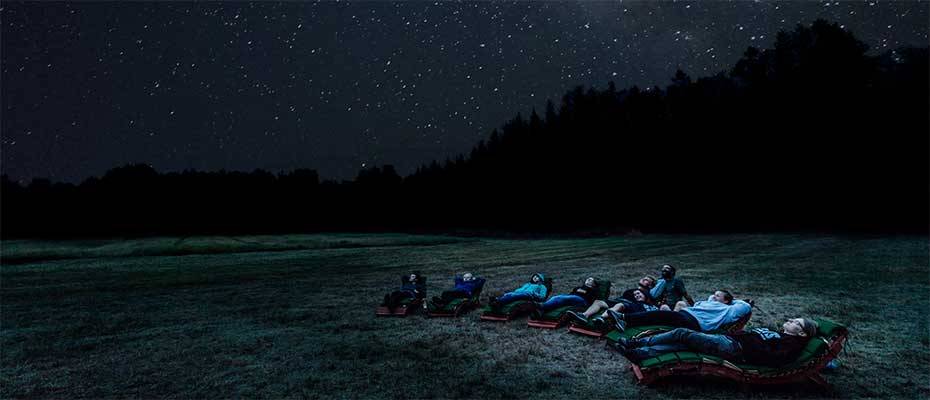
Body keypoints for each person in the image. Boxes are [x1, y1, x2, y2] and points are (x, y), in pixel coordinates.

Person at [610, 318, 818, 367]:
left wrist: (749, 342)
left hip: (733, 348)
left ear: (802, 334)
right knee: (684, 345)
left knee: (683, 333)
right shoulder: (778, 335)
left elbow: (773, 358)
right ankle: (643, 354)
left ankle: (635, 343)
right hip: (728, 342)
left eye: (795, 322)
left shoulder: (792, 344)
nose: (789, 320)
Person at [607, 290, 752, 333]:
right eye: (714, 294)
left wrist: (733, 300)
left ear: (726, 300)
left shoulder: (728, 310)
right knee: (661, 316)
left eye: (718, 295)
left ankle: (625, 318)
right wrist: (715, 297)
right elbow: (709, 299)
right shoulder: (710, 303)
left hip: (695, 323)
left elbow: (745, 306)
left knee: (661, 315)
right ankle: (625, 320)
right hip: (686, 315)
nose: (714, 296)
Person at [567, 276, 657, 326]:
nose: (643, 279)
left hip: (628, 305)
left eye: (647, 280)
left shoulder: (647, 293)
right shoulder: (633, 290)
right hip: (618, 301)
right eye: (644, 278)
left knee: (619, 305)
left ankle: (602, 318)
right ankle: (584, 316)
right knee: (598, 301)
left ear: (650, 286)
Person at [535, 277, 600, 314]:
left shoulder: (593, 290)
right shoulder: (578, 288)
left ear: (594, 284)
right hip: (573, 299)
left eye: (591, 280)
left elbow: (592, 299)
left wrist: (586, 292)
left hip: (583, 301)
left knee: (565, 298)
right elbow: (571, 294)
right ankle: (544, 309)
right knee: (556, 297)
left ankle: (541, 306)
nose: (588, 280)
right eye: (588, 279)